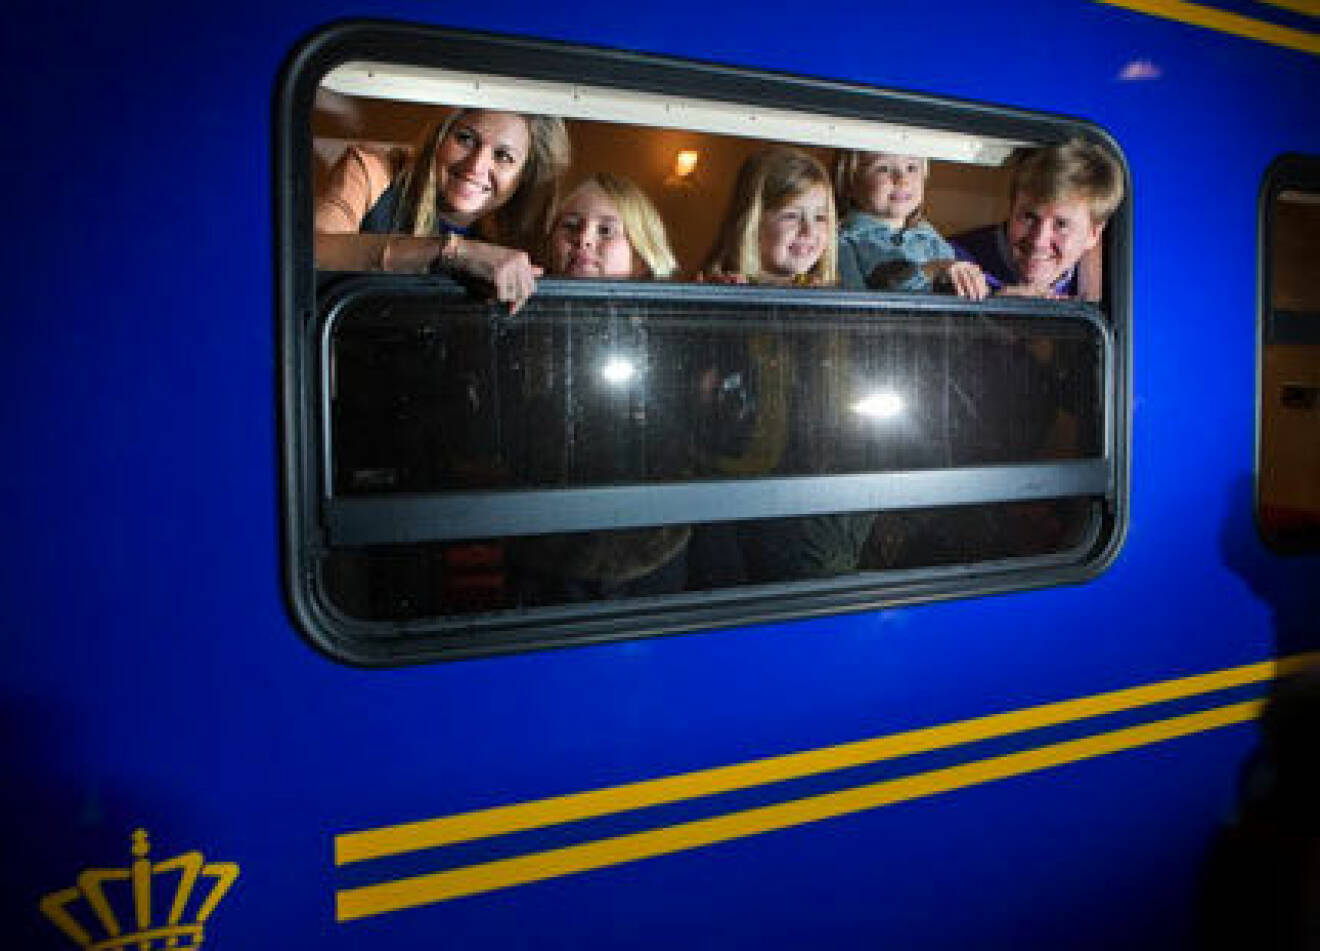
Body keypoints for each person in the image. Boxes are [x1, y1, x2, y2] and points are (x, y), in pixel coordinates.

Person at [692, 148, 875, 584]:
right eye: (792, 215)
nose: (810, 232)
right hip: (730, 502)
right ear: (753, 219)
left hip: (810, 499)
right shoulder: (711, 295)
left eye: (822, 217)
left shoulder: (834, 303)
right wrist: (721, 311)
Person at [511, 173, 690, 603]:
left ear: (641, 256)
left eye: (607, 230)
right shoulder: (521, 321)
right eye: (570, 226)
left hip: (650, 553)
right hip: (546, 554)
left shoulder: (673, 328)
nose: (584, 239)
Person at [314, 108, 570, 313]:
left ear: (524, 176)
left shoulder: (520, 236)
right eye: (465, 139)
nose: (476, 166)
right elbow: (313, 252)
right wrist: (453, 252)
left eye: (503, 156)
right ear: (440, 136)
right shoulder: (374, 170)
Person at [950, 138, 1124, 300]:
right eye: (1029, 217)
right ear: (1011, 210)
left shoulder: (1111, 286)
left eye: (1061, 224)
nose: (1039, 241)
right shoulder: (955, 261)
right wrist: (996, 304)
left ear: (1093, 234)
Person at [834, 151, 985, 297]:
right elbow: (858, 304)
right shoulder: (843, 241)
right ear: (851, 183)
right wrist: (930, 270)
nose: (902, 180)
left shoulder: (932, 239)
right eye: (883, 169)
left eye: (911, 168)